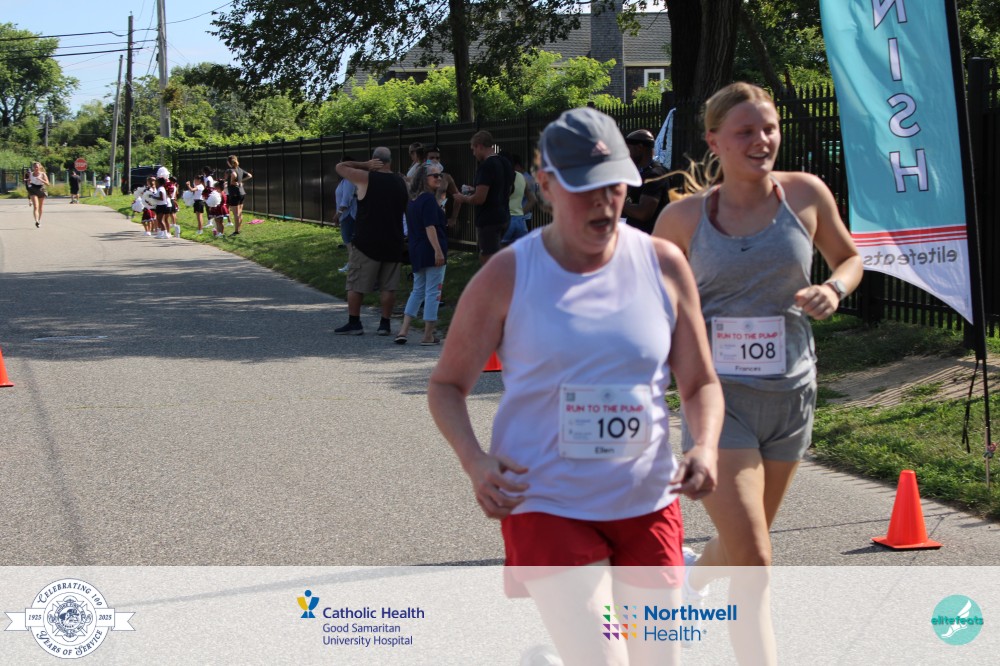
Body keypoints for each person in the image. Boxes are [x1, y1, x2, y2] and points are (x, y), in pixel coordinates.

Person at [428, 107, 724, 666]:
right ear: (545, 185)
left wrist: (705, 446)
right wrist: (475, 461)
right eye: (584, 188)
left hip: (646, 497)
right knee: (603, 657)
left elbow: (700, 381)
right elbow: (446, 385)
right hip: (545, 498)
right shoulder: (508, 275)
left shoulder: (663, 265)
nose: (603, 202)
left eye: (614, 186)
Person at [652, 82, 863, 664]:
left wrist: (833, 288)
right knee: (756, 563)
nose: (761, 140)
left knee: (748, 544)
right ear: (714, 141)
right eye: (745, 131)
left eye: (768, 128)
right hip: (721, 403)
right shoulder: (683, 218)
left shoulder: (806, 194)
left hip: (792, 396)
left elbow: (850, 258)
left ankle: (689, 578)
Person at [333, 147, 408, 336]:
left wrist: (364, 165)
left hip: (367, 241)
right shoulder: (400, 182)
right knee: (388, 286)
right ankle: (385, 324)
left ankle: (354, 322)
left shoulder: (366, 178)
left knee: (355, 283)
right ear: (390, 161)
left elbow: (340, 167)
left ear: (374, 160)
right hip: (394, 239)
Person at [394, 162, 448, 346]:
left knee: (417, 290)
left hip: (416, 249)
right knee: (433, 292)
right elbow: (430, 227)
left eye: (440, 175)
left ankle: (403, 330)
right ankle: (428, 335)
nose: (439, 178)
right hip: (431, 249)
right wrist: (438, 251)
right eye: (435, 176)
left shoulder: (413, 201)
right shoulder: (428, 200)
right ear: (424, 179)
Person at [453, 130, 514, 265]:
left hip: (488, 220)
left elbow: (479, 199)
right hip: (504, 216)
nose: (473, 153)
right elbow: (507, 189)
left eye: (473, 149)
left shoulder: (486, 166)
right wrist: (475, 190)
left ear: (479, 146)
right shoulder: (505, 163)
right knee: (497, 256)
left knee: (487, 259)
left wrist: (463, 198)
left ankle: (495, 279)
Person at [622, 129, 670, 234]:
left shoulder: (655, 175)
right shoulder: (639, 173)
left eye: (628, 148)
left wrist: (616, 202)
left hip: (652, 238)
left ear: (639, 147)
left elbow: (643, 213)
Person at [501, 153, 537, 245]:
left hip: (506, 219)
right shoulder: (523, 177)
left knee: (501, 250)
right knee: (520, 250)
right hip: (521, 221)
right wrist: (520, 213)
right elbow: (533, 199)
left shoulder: (502, 177)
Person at [425, 146, 462, 228]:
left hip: (440, 219)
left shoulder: (446, 177)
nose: (435, 160)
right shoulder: (419, 177)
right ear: (426, 160)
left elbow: (458, 196)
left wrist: (454, 218)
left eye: (437, 158)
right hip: (424, 219)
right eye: (431, 158)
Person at [334, 155, 358, 274]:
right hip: (345, 215)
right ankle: (352, 264)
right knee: (348, 240)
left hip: (349, 215)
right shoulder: (345, 180)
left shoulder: (349, 181)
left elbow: (346, 200)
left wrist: (338, 214)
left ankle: (352, 265)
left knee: (349, 241)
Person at [225, 155, 253, 236]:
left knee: (236, 214)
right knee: (240, 212)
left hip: (234, 193)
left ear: (228, 162)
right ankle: (239, 229)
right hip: (242, 193)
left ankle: (236, 231)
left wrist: (233, 182)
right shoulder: (240, 169)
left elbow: (234, 176)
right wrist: (240, 181)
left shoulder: (231, 170)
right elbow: (250, 175)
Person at [26, 162, 50, 228]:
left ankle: (39, 220)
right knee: (36, 206)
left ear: (39, 167)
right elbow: (28, 182)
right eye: (34, 167)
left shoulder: (43, 174)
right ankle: (36, 221)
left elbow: (48, 184)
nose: (36, 168)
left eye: (37, 167)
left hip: (41, 189)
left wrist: (41, 179)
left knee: (40, 207)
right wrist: (29, 183)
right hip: (33, 190)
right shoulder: (30, 174)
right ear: (33, 167)